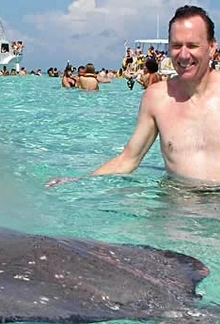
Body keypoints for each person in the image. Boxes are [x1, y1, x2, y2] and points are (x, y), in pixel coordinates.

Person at [46, 5, 220, 188]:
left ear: (211, 47)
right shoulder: (157, 98)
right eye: (177, 46)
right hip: (177, 203)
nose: (184, 55)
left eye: (192, 45)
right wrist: (78, 182)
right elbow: (128, 159)